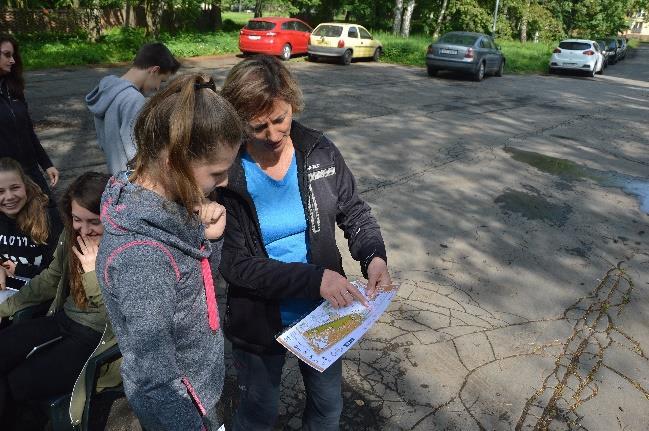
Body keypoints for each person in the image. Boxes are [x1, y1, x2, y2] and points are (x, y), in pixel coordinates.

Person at [218, 55, 392, 431]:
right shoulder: (225, 171)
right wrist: (314, 279)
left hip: (322, 313)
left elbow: (354, 212)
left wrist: (374, 258)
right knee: (258, 416)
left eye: (280, 119)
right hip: (258, 320)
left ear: (292, 103)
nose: (273, 134)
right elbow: (234, 264)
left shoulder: (319, 150)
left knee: (328, 409)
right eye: (257, 126)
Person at [96, 74, 243, 430]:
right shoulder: (143, 258)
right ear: (171, 162)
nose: (223, 183)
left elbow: (195, 288)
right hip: (184, 412)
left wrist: (211, 239)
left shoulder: (170, 206)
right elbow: (154, 378)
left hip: (200, 389)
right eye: (217, 172)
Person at [0, 172, 110, 429]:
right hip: (64, 320)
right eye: (76, 220)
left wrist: (93, 273)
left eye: (94, 221)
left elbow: (116, 318)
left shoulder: (126, 250)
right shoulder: (72, 237)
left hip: (96, 337)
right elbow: (50, 279)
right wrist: (5, 308)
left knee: (19, 383)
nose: (83, 230)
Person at [85, 42, 181, 175]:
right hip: (134, 181)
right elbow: (136, 153)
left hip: (116, 178)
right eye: (161, 80)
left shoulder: (106, 91)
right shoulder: (133, 100)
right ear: (154, 70)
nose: (158, 88)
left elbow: (103, 142)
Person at [0, 34, 59, 196]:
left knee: (50, 216)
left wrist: (46, 164)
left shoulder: (13, 88)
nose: (12, 60)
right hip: (4, 179)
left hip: (30, 171)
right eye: (7, 55)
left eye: (13, 56)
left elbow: (28, 132)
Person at [0, 157, 63, 290]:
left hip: (44, 293)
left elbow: (61, 272)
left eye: (15, 187)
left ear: (25, 187)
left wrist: (19, 269)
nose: (9, 196)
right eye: (1, 191)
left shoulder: (49, 218)